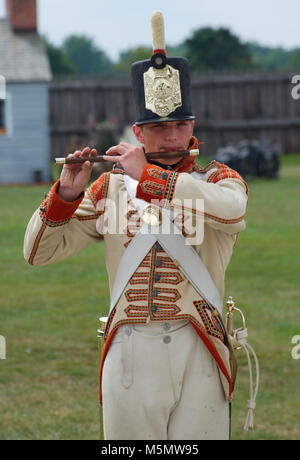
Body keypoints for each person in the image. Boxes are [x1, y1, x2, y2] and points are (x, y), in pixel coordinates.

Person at [24, 12, 248, 440]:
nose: (171, 136)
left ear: (193, 127)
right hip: (128, 350)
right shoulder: (109, 187)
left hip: (199, 343)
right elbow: (37, 253)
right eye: (158, 127)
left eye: (180, 124)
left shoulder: (219, 179)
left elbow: (232, 212)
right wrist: (67, 195)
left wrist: (149, 177)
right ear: (137, 133)